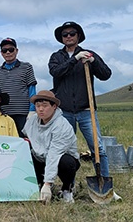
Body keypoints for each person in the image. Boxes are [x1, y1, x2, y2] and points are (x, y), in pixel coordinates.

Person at [48, 21, 113, 179]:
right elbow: (56, 72)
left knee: (98, 148)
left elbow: (106, 74)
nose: (68, 36)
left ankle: (103, 180)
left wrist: (93, 62)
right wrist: (75, 59)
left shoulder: (89, 54)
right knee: (64, 150)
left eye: (72, 34)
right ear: (62, 38)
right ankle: (68, 185)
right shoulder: (56, 57)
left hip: (86, 111)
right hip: (64, 112)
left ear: (78, 36)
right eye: (65, 34)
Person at [23, 90, 80, 204]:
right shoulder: (33, 120)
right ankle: (37, 185)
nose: (40, 109)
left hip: (59, 158)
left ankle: (66, 189)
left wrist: (48, 183)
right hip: (40, 156)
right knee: (24, 152)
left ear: (54, 106)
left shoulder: (61, 126)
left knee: (67, 162)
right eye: (38, 106)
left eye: (45, 106)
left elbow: (54, 154)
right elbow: (25, 134)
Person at [0, 37, 38, 137]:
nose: (8, 52)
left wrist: (32, 110)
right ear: (1, 53)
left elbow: (32, 90)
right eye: (5, 50)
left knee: (25, 141)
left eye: (11, 49)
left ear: (16, 51)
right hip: (3, 114)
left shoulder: (27, 67)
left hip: (23, 113)